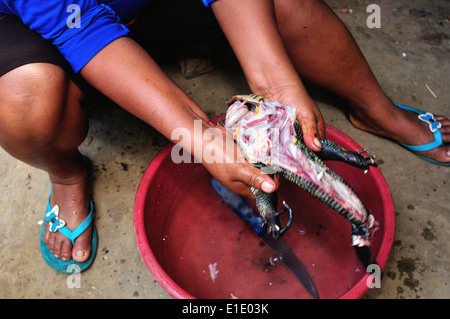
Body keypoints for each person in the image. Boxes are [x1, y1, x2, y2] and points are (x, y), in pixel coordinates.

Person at [0, 0, 448, 273]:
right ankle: (67, 176)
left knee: (289, 7)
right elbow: (74, 23)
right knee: (23, 102)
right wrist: (202, 137)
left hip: (147, 6)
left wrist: (277, 86)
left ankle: (376, 111)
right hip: (51, 28)